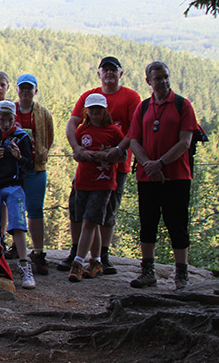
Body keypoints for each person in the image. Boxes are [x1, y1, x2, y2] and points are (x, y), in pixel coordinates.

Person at [61, 56, 141, 274]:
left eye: (113, 70)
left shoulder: (130, 97)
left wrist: (117, 151)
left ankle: (101, 257)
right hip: (87, 169)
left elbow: (135, 128)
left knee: (106, 212)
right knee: (77, 209)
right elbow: (72, 123)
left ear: (121, 73)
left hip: (115, 168)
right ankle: (76, 252)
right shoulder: (89, 96)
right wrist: (77, 148)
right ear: (99, 73)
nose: (109, 73)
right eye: (105, 70)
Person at [127, 61, 200, 290]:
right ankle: (148, 272)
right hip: (147, 177)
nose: (163, 81)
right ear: (148, 81)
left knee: (177, 225)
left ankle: (182, 275)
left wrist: (159, 164)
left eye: (166, 76)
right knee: (148, 224)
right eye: (158, 78)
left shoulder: (182, 105)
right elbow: (133, 140)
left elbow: (185, 142)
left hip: (177, 176)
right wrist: (149, 166)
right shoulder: (143, 107)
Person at [0, 100, 35, 289]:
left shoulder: (22, 137)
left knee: (17, 222)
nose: (5, 123)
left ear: (14, 118)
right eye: (2, 119)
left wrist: (19, 157)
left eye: (9, 119)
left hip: (13, 185)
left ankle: (24, 265)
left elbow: (30, 164)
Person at [67, 94, 125, 282]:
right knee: (92, 223)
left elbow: (123, 155)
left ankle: (78, 262)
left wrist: (106, 155)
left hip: (103, 183)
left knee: (89, 222)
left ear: (105, 110)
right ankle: (96, 261)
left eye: (99, 108)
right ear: (87, 111)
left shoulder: (114, 131)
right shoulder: (82, 131)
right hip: (83, 182)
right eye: (92, 108)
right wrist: (83, 154)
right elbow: (76, 154)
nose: (95, 112)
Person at [14, 74, 55, 276]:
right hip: (13, 168)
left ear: (35, 90)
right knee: (14, 207)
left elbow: (49, 137)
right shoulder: (10, 110)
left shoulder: (43, 113)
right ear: (17, 90)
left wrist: (40, 154)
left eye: (29, 88)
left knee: (35, 209)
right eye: (22, 88)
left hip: (36, 168)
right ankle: (16, 246)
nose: (25, 91)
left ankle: (38, 252)